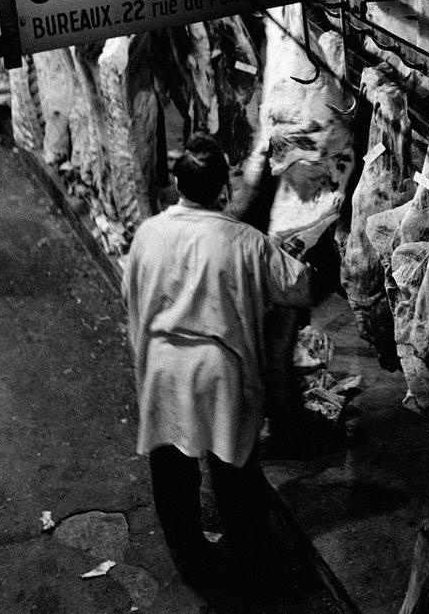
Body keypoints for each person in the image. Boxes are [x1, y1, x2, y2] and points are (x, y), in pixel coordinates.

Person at [122, 132, 311, 587]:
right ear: (224, 188)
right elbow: (300, 286)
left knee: (172, 474)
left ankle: (192, 562)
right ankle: (248, 567)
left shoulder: (148, 233)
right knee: (233, 474)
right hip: (220, 370)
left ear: (178, 184)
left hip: (165, 366)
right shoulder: (245, 240)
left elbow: (132, 301)